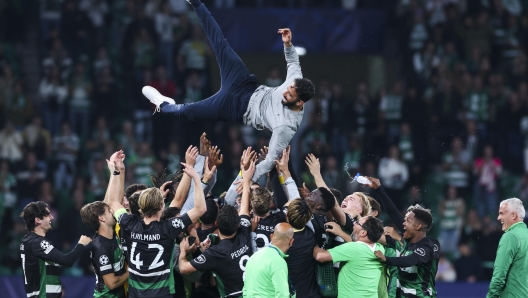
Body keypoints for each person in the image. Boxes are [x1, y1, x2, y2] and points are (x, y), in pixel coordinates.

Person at [142, 0, 315, 183]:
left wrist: (245, 183)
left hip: (234, 108)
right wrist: (288, 44)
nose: (284, 93)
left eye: (289, 95)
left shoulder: (286, 127)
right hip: (244, 84)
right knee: (220, 43)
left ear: (300, 103)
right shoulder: (295, 81)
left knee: (187, 111)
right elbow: (293, 62)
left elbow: (268, 163)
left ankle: (163, 104)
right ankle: (196, 3)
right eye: (287, 89)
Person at [106, 150, 207, 298]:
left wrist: (117, 170)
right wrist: (196, 178)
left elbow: (113, 201)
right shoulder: (169, 227)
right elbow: (200, 208)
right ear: (162, 206)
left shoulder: (128, 223)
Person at [178, 159, 256, 298]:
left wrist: (183, 252)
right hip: (254, 293)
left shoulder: (215, 252)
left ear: (216, 224)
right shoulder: (244, 233)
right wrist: (247, 178)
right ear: (238, 224)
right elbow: (244, 207)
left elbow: (184, 268)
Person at [20, 201, 92, 298]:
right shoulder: (38, 243)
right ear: (38, 220)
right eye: (47, 215)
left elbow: (44, 270)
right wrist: (81, 243)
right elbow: (67, 261)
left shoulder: (27, 240)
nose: (52, 217)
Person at [314, 216, 385, 298]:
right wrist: (340, 232)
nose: (354, 223)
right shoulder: (380, 249)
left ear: (363, 233)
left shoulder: (353, 248)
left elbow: (320, 256)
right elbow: (360, 247)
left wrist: (311, 241)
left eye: (357, 223)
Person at [80, 201, 128, 297]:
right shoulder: (101, 248)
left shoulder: (113, 234)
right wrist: (133, 271)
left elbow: (113, 198)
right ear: (101, 218)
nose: (113, 212)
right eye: (109, 211)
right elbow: (112, 284)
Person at [487, 198, 528, 298]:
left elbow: (499, 275)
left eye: (502, 213)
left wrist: (491, 296)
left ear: (513, 215)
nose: (498, 218)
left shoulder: (510, 236)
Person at [243, 222, 295, 298]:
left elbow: (245, 290)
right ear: (291, 241)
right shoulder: (278, 262)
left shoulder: (253, 257)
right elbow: (283, 295)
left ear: (271, 236)